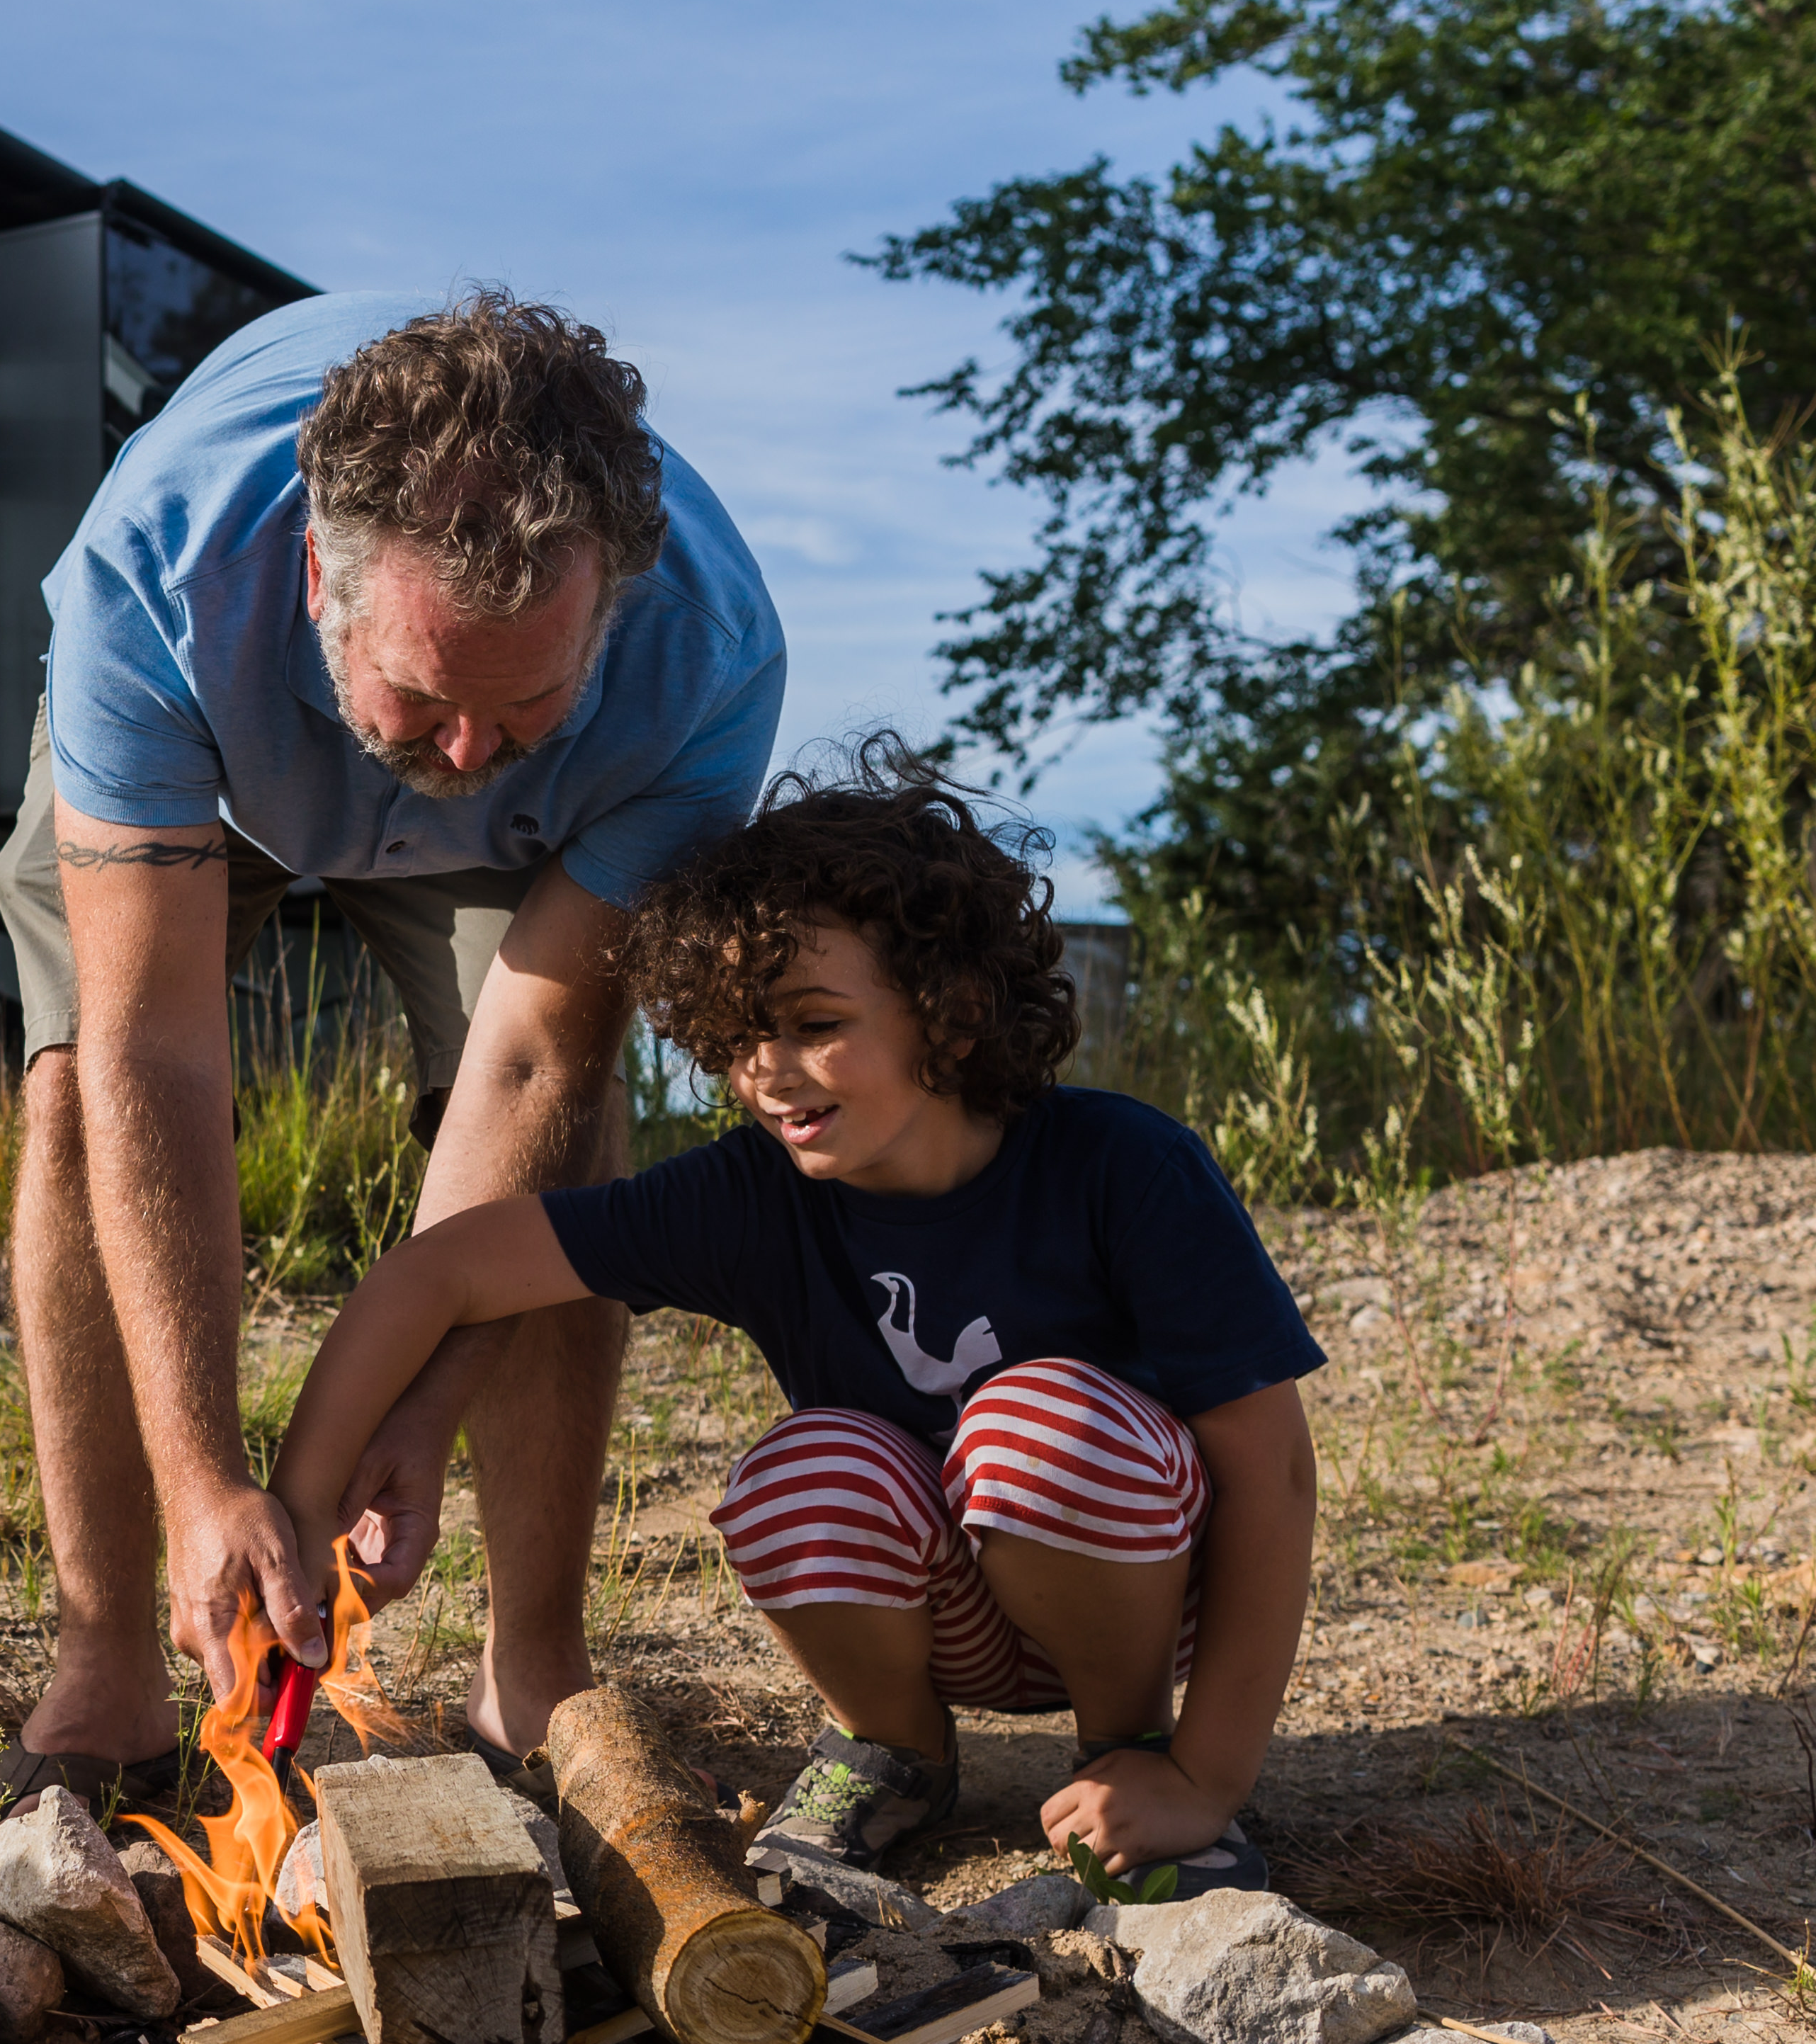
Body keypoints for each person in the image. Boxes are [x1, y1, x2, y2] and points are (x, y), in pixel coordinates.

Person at [0, 288, 788, 1882]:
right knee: (68, 1093)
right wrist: (210, 1482)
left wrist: (410, 1411)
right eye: (425, 695)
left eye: (520, 702)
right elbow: (157, 1053)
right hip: (220, 752)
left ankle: (533, 1673)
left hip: (549, 834)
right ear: (322, 579)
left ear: (611, 616)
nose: (461, 750)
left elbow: (530, 1056)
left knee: (581, 1127)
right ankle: (110, 1671)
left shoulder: (704, 663)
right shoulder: (155, 578)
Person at [261, 746, 1322, 1890]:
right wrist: (304, 1498)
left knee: (1035, 1423)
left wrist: (1208, 1773)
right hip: (948, 1608)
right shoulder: (752, 1195)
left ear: (954, 1012)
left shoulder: (1125, 1168)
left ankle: (1129, 1750)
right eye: (736, 1035)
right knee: (800, 1469)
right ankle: (897, 1750)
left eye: (816, 1022)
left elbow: (1273, 1476)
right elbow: (442, 1273)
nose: (770, 1070)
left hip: (1135, 1581)